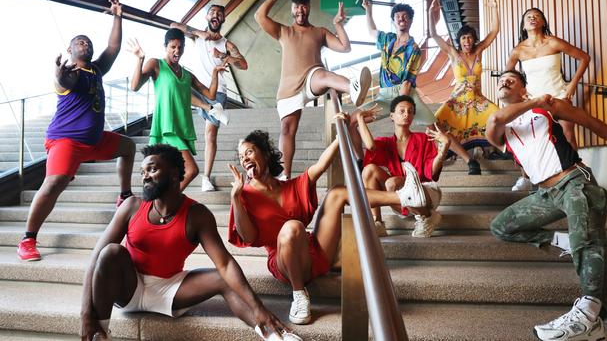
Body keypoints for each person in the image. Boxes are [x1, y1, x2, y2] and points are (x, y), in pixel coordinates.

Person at [80, 144, 301, 341]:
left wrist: (258, 307)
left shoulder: (197, 214)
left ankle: (272, 334)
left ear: (175, 174)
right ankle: (99, 333)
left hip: (170, 287)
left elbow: (225, 264)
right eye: (143, 172)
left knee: (222, 278)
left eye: (152, 169)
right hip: (129, 286)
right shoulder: (131, 206)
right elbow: (96, 259)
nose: (145, 176)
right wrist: (85, 316)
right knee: (110, 252)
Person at [486, 70, 607, 341]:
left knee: (590, 242)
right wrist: (534, 101)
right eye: (501, 80)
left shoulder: (548, 109)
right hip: (546, 194)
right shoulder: (500, 128)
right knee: (502, 227)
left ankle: (587, 317)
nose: (504, 81)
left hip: (574, 181)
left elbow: (591, 123)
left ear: (524, 87)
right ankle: (565, 242)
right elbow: (497, 118)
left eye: (512, 79)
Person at [228, 128, 427, 324]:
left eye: (249, 152)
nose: (244, 158)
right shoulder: (244, 195)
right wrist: (236, 197)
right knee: (292, 227)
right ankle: (299, 296)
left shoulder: (289, 186)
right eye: (241, 156)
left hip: (314, 251)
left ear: (265, 154)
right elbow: (247, 237)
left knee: (337, 192)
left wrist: (344, 133)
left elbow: (321, 165)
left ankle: (404, 197)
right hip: (285, 264)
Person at [17, 1, 136, 262]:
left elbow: (113, 48)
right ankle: (28, 239)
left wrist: (118, 17)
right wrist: (59, 74)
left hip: (94, 140)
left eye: (88, 42)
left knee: (128, 147)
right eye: (80, 42)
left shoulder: (96, 69)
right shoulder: (71, 74)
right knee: (53, 183)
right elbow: (63, 81)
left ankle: (124, 194)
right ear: (70, 50)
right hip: (66, 141)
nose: (86, 45)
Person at [255, 0, 371, 179]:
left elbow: (345, 47)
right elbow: (259, 16)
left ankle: (353, 87)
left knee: (322, 74)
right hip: (288, 88)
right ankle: (284, 176)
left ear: (308, 8)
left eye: (303, 6)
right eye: (296, 6)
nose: (300, 9)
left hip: (312, 79)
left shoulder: (319, 32)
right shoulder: (283, 31)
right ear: (292, 9)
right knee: (287, 130)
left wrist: (337, 24)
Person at [128, 28, 226, 191]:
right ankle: (168, 200)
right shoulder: (156, 64)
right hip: (166, 128)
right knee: (191, 170)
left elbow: (210, 93)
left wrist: (215, 73)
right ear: (165, 46)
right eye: (173, 47)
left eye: (180, 47)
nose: (177, 51)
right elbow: (134, 86)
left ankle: (163, 201)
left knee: (166, 175)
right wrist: (139, 59)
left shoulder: (187, 75)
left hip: (180, 128)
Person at [506, 7, 591, 191]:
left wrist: (572, 85)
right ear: (523, 25)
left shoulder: (553, 42)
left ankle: (575, 180)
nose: (533, 18)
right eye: (528, 16)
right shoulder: (518, 50)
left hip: (559, 95)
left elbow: (584, 58)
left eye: (537, 16)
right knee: (532, 140)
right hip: (535, 101)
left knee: (568, 135)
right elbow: (509, 75)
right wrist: (520, 94)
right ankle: (527, 177)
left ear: (543, 22)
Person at [171, 4, 249, 192]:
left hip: (217, 91)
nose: (216, 15)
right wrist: (201, 33)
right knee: (178, 88)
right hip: (197, 88)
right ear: (207, 17)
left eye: (219, 14)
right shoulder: (197, 37)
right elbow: (174, 25)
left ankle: (206, 177)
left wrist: (223, 55)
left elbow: (244, 64)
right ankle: (211, 109)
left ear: (222, 20)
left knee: (209, 134)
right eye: (212, 12)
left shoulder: (226, 44)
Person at [429, 0, 501, 175]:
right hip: (458, 100)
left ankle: (495, 150)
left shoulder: (479, 51)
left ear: (473, 39)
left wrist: (494, 8)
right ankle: (463, 158)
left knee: (499, 117)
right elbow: (434, 35)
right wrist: (432, 13)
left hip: (477, 100)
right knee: (434, 124)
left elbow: (494, 32)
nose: (467, 41)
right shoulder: (454, 53)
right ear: (459, 41)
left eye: (469, 38)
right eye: (463, 39)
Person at [358, 96, 450, 237]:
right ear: (392, 116)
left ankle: (427, 216)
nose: (406, 114)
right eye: (402, 111)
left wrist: (443, 150)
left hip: (425, 192)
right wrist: (359, 119)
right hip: (398, 195)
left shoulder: (423, 139)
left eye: (410, 111)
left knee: (392, 182)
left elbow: (430, 171)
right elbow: (370, 146)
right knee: (369, 170)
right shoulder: (386, 143)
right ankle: (377, 222)